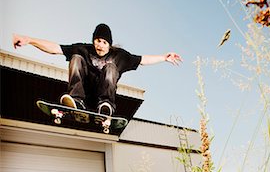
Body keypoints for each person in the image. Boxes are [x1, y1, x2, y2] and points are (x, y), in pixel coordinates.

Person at [13, 23, 182, 116]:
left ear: (110, 43)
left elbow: (143, 60)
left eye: (104, 42)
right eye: (97, 41)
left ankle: (106, 104)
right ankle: (76, 100)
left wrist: (163, 57)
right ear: (93, 40)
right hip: (82, 94)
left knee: (110, 67)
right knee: (76, 57)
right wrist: (30, 40)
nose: (100, 45)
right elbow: (55, 48)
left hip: (103, 96)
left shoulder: (120, 56)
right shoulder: (83, 49)